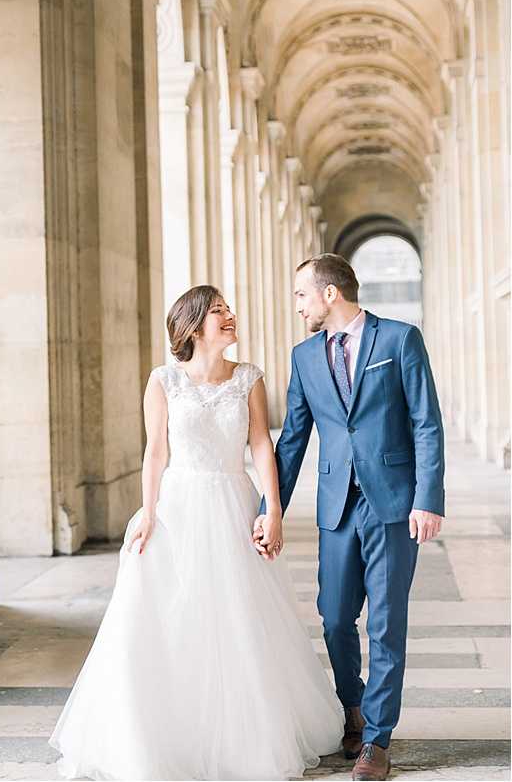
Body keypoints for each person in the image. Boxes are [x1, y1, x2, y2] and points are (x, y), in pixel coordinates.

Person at [48, 284, 344, 781]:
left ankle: (246, 735)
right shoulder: (163, 381)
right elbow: (156, 453)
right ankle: (166, 734)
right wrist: (147, 512)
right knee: (168, 614)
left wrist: (272, 510)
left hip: (233, 504)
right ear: (192, 326)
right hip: (179, 508)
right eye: (217, 311)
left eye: (228, 309)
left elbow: (260, 446)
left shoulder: (248, 377)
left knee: (240, 617)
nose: (229, 316)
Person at [254, 254, 445, 782]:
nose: (296, 305)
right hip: (336, 505)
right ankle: (353, 708)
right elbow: (292, 440)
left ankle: (376, 740)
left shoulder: (400, 340)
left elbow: (426, 422)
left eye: (300, 295)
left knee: (386, 623)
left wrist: (427, 498)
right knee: (336, 617)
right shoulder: (305, 357)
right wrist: (269, 510)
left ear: (329, 294)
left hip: (392, 501)